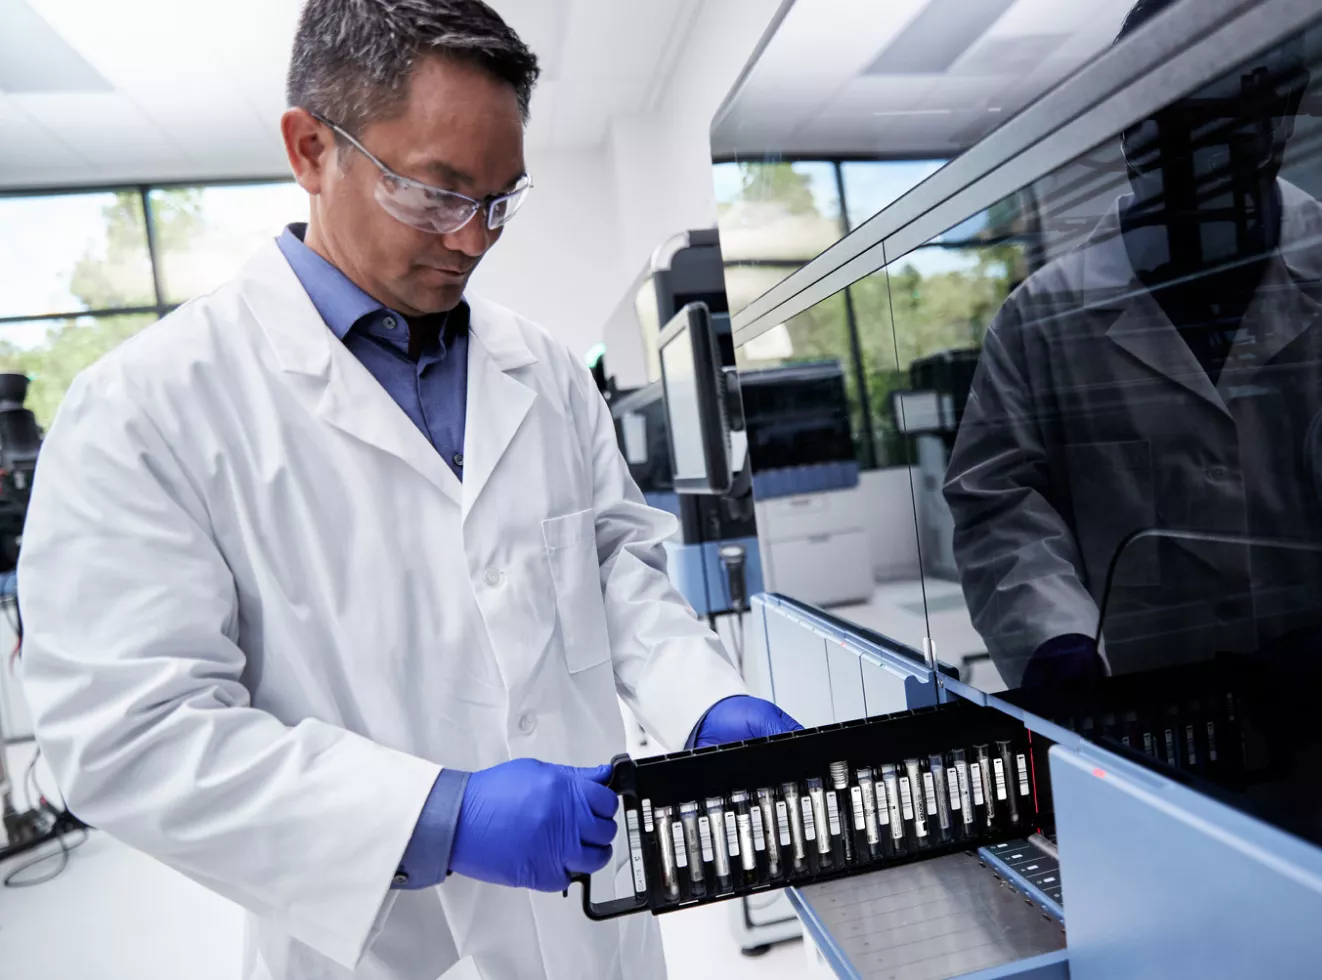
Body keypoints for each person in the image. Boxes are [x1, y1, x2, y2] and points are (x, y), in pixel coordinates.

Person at [17, 2, 796, 978]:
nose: (473, 239)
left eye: (503, 200)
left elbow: (617, 569)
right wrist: (440, 814)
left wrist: (702, 697)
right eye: (437, 192)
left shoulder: (545, 371)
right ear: (311, 148)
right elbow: (130, 732)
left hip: (601, 935)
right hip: (380, 952)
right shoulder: (147, 407)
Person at [945, 0, 1322, 870]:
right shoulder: (1041, 318)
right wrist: (1055, 641)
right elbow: (1001, 506)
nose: (1185, 135)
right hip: (1146, 768)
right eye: (1156, 105)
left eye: (1216, 100)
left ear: (1286, 99)